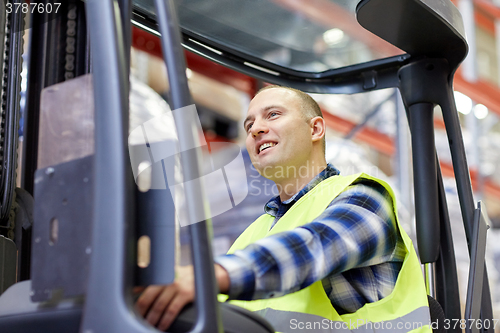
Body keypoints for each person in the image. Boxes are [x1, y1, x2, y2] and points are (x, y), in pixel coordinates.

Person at [135, 86, 431, 332]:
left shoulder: (364, 198)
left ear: (315, 129)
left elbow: (313, 249)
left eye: (273, 115)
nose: (256, 130)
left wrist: (208, 275)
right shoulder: (256, 232)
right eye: (249, 125)